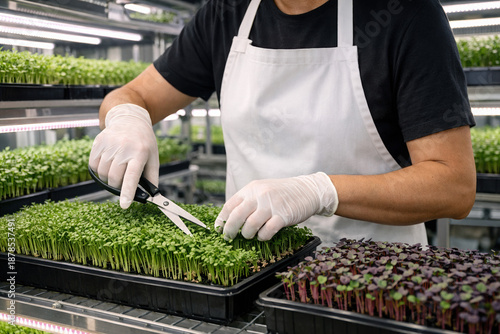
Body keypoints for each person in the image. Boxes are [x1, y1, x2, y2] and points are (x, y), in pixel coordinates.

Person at [89, 0, 476, 246]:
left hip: (371, 282)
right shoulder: (226, 14)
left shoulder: (406, 14)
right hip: (249, 271)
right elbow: (129, 95)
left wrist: (320, 191)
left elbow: (453, 186)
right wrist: (126, 118)